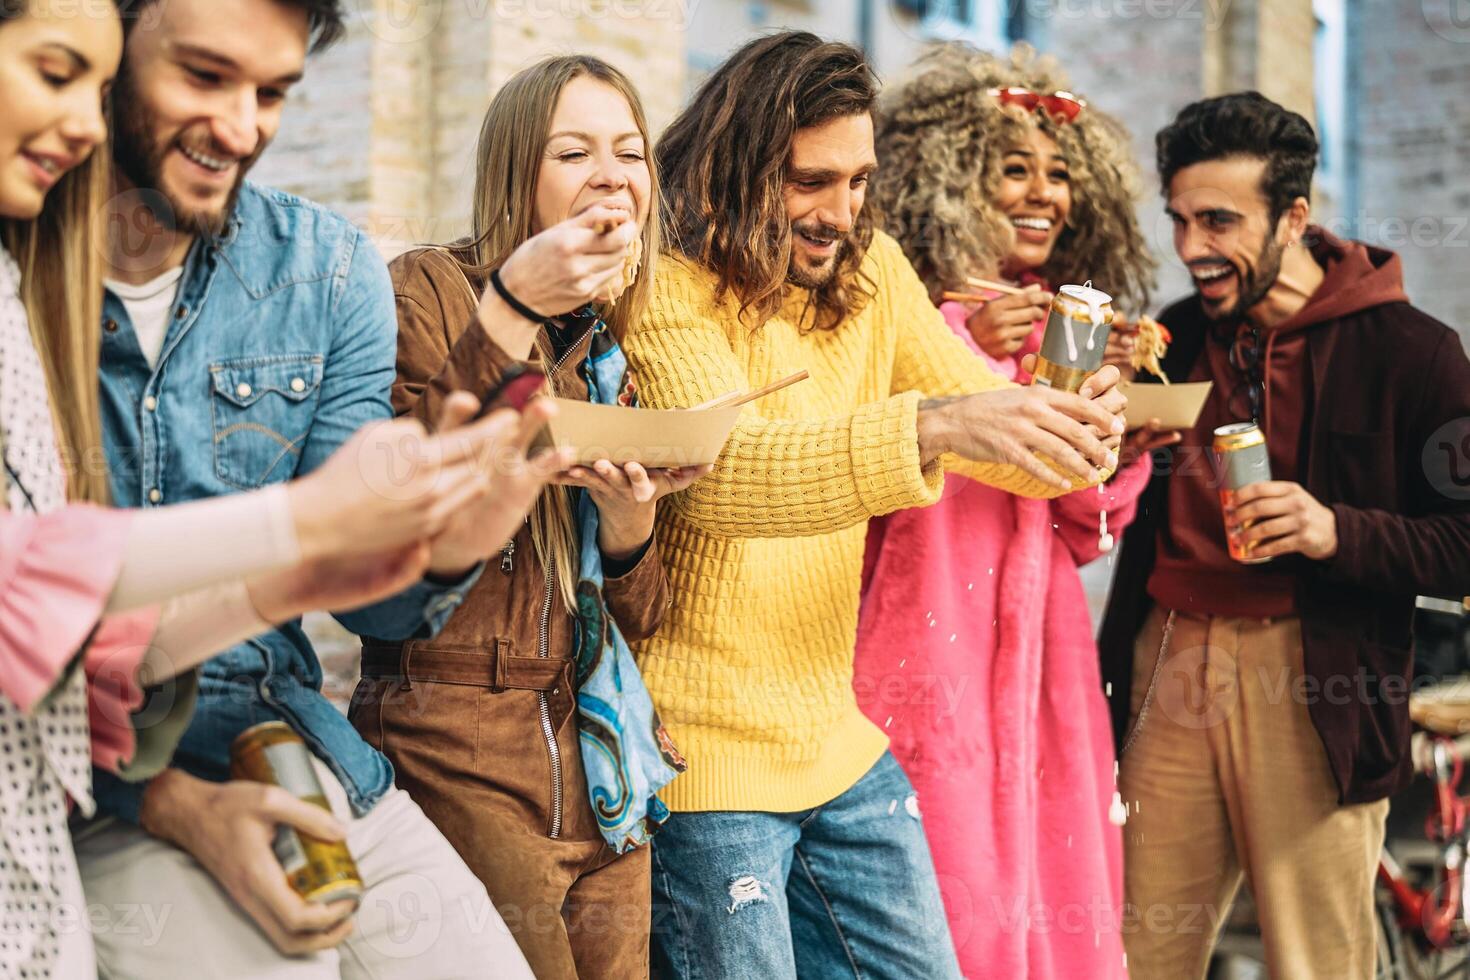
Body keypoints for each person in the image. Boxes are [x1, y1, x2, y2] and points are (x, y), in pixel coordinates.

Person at [0, 2, 559, 975]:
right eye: (206, 78)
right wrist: (172, 803)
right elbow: (42, 604)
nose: (244, 126)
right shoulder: (32, 264)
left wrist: (449, 540)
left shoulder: (329, 268)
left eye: (273, 92)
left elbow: (365, 597)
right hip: (85, 775)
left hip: (285, 730)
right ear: (111, 47)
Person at [619, 32, 1128, 979]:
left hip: (840, 744)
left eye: (859, 182)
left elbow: (998, 438)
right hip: (703, 764)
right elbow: (725, 474)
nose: (841, 214)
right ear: (733, 167)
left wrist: (1080, 426)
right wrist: (934, 425)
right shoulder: (664, 289)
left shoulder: (874, 269)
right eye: (811, 182)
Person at [1098, 92, 1470, 979]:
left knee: (1313, 965)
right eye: (1181, 219)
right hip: (1167, 661)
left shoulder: (1413, 352)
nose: (1191, 248)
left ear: (1295, 217)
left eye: (1219, 221)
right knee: (1132, 954)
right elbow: (1108, 504)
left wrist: (1333, 530)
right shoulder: (1173, 336)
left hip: (1319, 678)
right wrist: (1111, 438)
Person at [351, 55, 700, 980]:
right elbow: (401, 497)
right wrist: (511, 318)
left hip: (600, 759)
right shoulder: (430, 289)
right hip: (455, 733)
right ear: (517, 173)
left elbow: (633, 621)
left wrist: (629, 524)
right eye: (575, 151)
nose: (613, 175)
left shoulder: (610, 350)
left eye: (630, 152)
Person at [859, 43, 1169, 979]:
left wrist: (1124, 445)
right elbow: (853, 443)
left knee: (1050, 870)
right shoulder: (886, 298)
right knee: (939, 875)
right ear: (949, 180)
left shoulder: (1058, 321)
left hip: (1040, 652)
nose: (1045, 194)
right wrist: (961, 339)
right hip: (920, 630)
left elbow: (1080, 528)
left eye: (1060, 175)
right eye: (1015, 169)